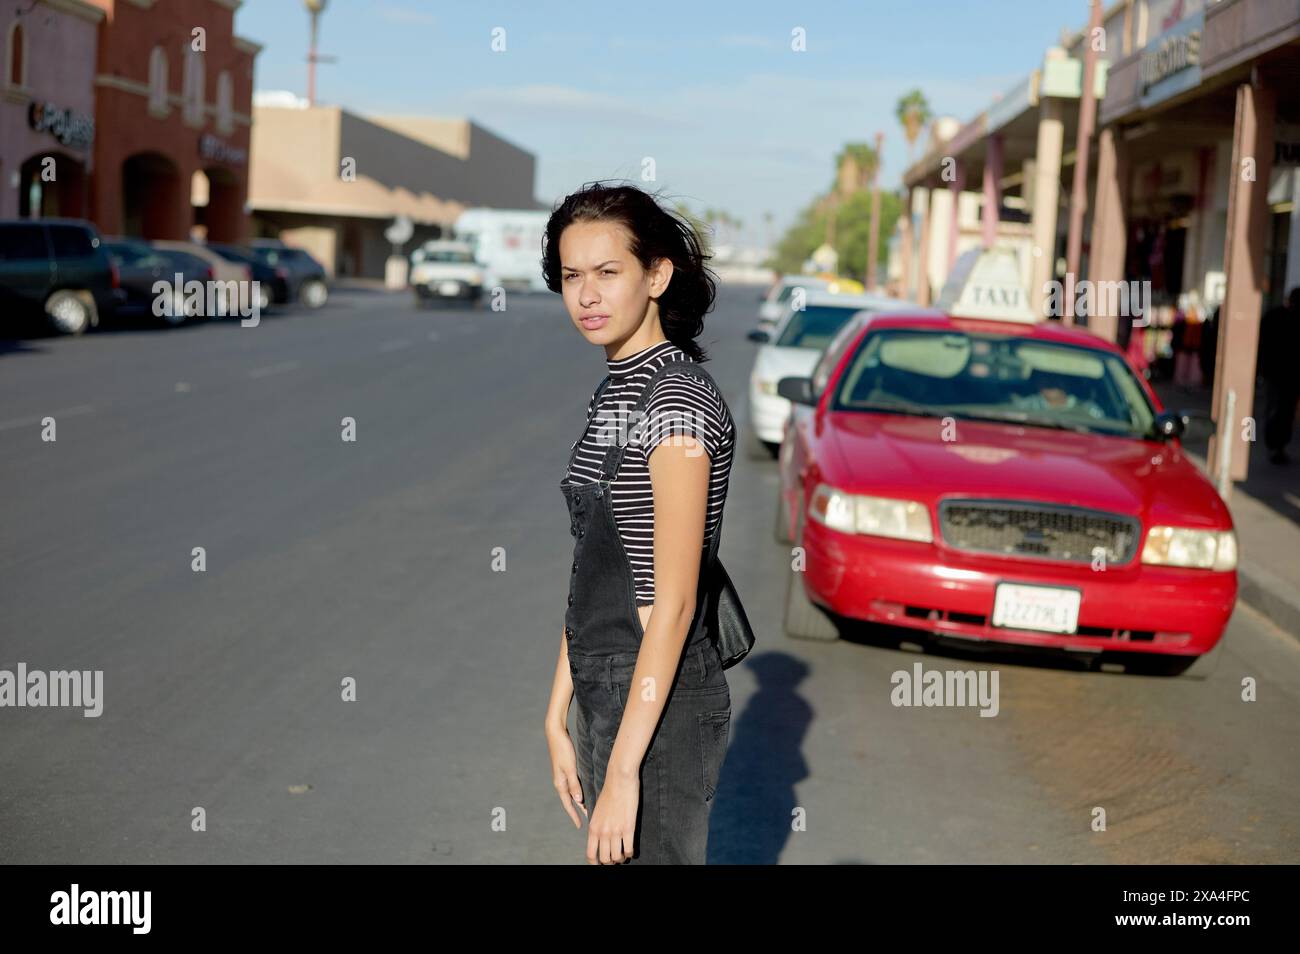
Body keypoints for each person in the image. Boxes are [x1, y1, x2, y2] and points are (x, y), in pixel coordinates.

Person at [541, 181, 737, 864]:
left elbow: (675, 602)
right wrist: (557, 708)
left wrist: (625, 769)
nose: (586, 295)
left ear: (657, 275)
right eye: (571, 276)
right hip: (610, 679)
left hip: (661, 691)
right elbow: (598, 559)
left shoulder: (675, 398)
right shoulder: (619, 385)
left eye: (607, 272)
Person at [1259, 287, 1300, 464]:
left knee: (1281, 411)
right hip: (1281, 374)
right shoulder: (1276, 317)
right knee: (1280, 411)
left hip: (1283, 375)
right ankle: (1275, 444)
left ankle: (1277, 444)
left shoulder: (1275, 317)